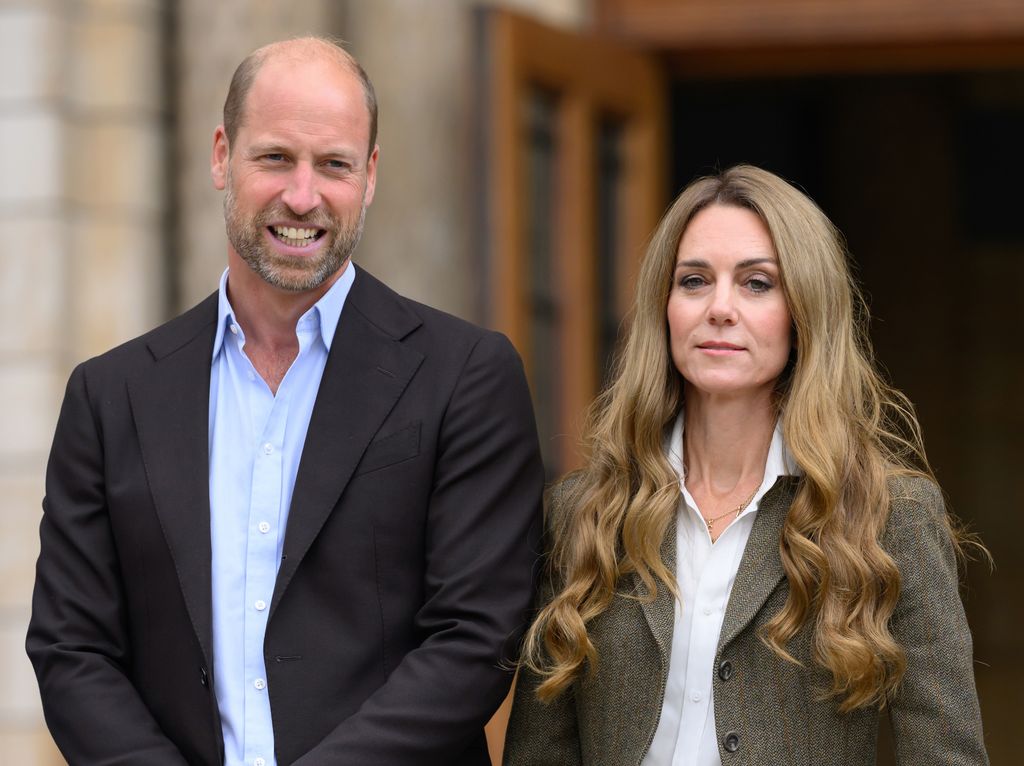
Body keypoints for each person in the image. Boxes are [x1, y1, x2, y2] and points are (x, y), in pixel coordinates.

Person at [27, 37, 543, 766]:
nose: (303, 196)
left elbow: (476, 636)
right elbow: (70, 646)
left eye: (332, 164)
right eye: (274, 157)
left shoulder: (466, 375)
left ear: (369, 176)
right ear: (220, 156)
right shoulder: (110, 396)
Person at [503, 164, 988, 765]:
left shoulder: (889, 514)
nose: (720, 308)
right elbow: (539, 751)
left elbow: (945, 753)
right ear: (665, 306)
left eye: (757, 283)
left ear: (803, 310)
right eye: (694, 281)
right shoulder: (585, 509)